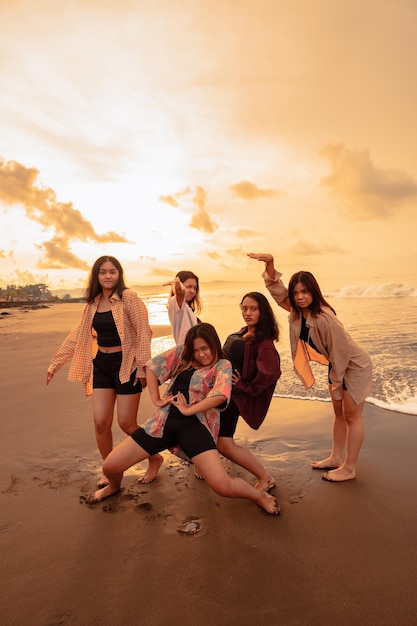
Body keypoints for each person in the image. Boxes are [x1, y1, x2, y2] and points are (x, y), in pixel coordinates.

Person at [88, 322, 280, 515]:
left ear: (214, 344)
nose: (201, 354)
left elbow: (221, 395)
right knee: (110, 466)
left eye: (205, 348)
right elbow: (153, 368)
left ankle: (258, 496)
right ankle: (113, 487)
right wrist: (156, 398)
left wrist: (190, 410)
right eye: (196, 350)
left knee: (223, 486)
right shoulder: (181, 354)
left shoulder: (223, 365)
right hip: (162, 424)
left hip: (197, 429)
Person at [248, 253, 372, 482]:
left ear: (314, 292)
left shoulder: (326, 319)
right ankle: (336, 458)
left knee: (352, 416)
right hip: (338, 365)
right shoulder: (297, 312)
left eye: (305, 292)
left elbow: (342, 353)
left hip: (353, 366)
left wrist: (336, 382)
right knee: (338, 412)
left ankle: (349, 467)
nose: (299, 297)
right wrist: (271, 264)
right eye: (296, 293)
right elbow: (277, 292)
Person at [46, 255, 162, 486]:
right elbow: (78, 335)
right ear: (96, 276)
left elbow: (143, 332)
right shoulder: (92, 303)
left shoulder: (128, 298)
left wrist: (142, 369)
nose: (108, 276)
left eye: (113, 271)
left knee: (127, 423)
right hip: (101, 363)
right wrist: (55, 364)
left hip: (127, 364)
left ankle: (155, 458)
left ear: (119, 275)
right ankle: (111, 471)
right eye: (103, 272)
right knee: (100, 423)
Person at [217, 292, 281, 492]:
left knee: (223, 442)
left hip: (234, 397)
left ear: (263, 311)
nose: (247, 312)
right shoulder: (246, 331)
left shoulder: (264, 343)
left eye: (253, 309)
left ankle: (265, 477)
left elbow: (271, 373)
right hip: (223, 392)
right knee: (220, 437)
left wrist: (245, 385)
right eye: (244, 308)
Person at [163, 270, 202, 345]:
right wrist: (176, 289)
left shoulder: (188, 309)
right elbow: (180, 293)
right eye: (189, 287)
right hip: (186, 353)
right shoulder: (175, 306)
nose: (192, 291)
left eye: (195, 288)